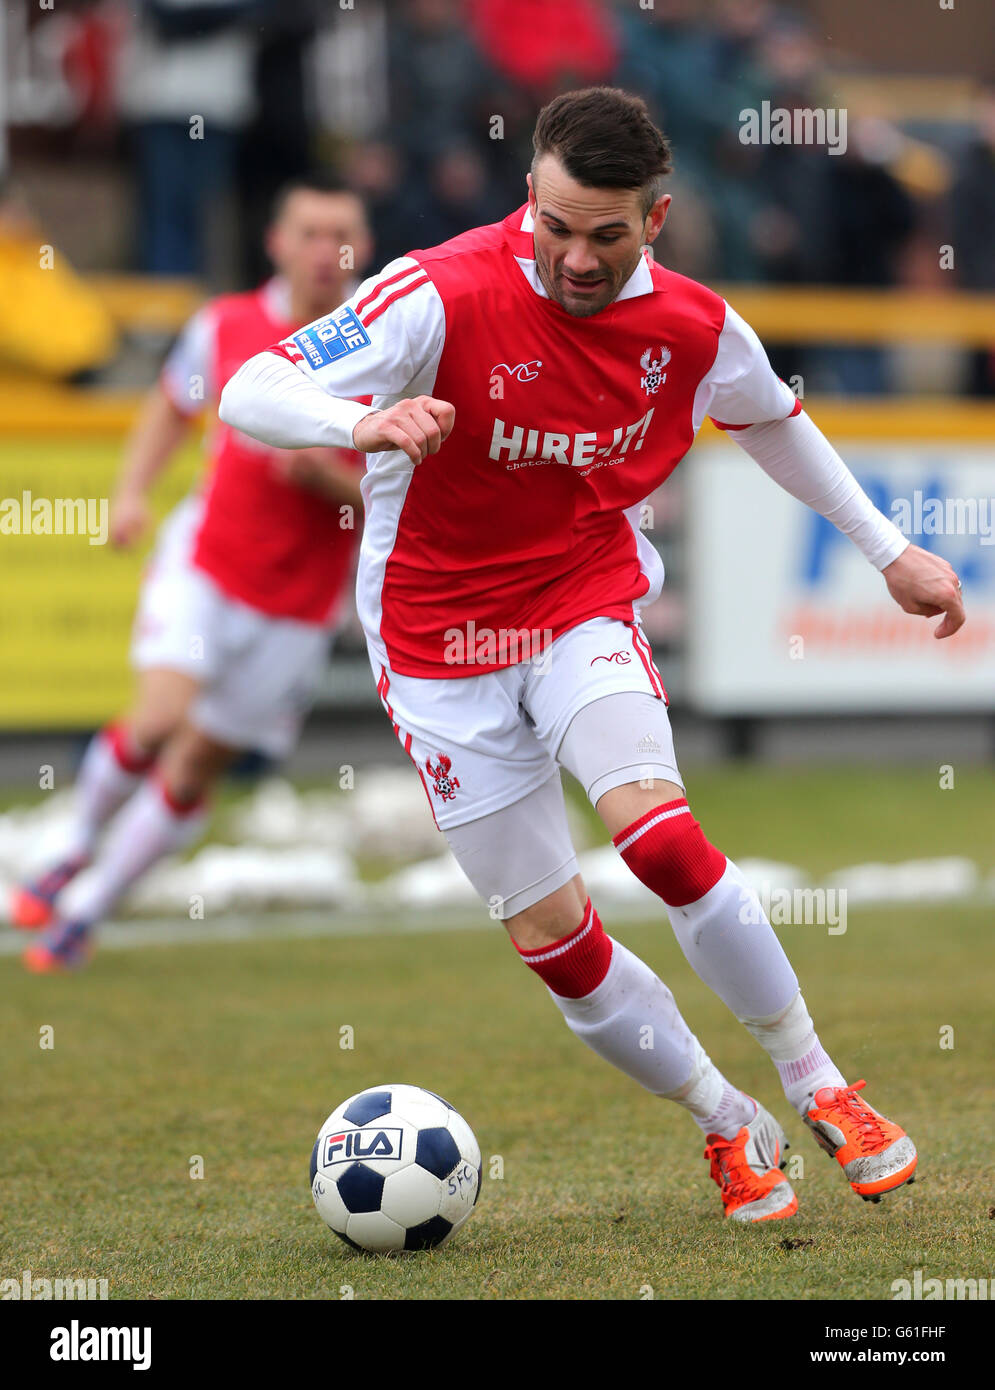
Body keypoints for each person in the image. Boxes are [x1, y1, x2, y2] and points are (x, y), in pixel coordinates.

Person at [218, 90, 965, 1222]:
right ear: (528, 196)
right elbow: (249, 387)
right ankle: (726, 1121)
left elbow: (768, 417)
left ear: (654, 219)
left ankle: (820, 1081)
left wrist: (886, 550)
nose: (574, 255)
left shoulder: (694, 327)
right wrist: (356, 421)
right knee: (553, 937)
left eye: (604, 234)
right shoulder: (437, 290)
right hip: (437, 646)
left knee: (659, 838)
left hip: (577, 604)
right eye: (555, 225)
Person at [15, 175, 371, 972]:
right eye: (310, 233)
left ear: (363, 249)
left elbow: (396, 496)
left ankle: (86, 911)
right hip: (208, 563)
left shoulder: (386, 350)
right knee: (154, 718)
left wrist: (328, 480)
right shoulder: (227, 326)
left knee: (197, 763)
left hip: (299, 606)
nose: (327, 252)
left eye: (341, 235)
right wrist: (131, 494)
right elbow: (171, 408)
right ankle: (70, 847)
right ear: (277, 243)